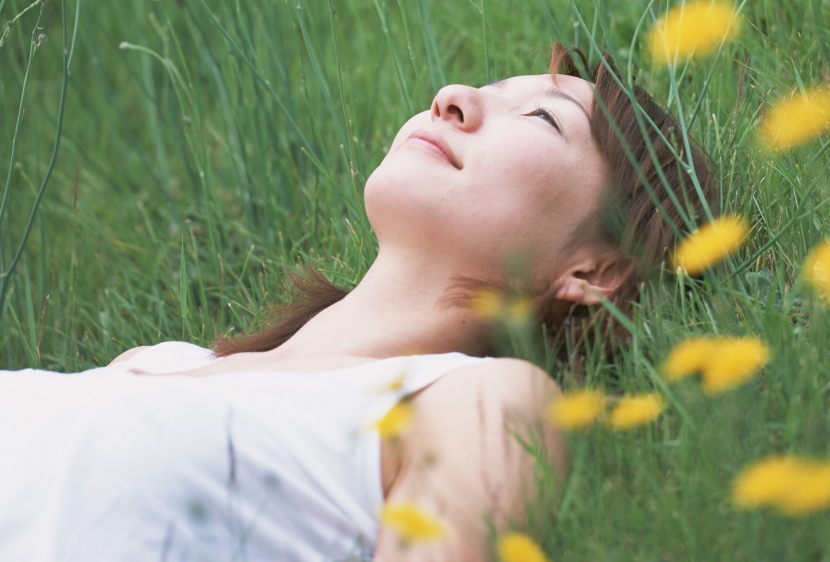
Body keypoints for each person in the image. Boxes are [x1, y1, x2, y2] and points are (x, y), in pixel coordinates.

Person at [0, 44, 714, 562]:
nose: (454, 94)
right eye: (488, 84)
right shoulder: (151, 364)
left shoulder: (484, 401)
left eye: (538, 117)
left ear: (596, 268)